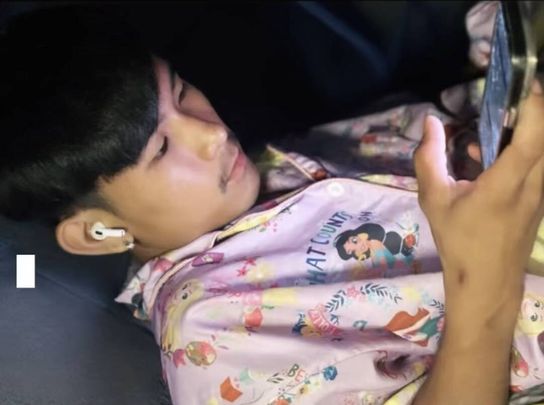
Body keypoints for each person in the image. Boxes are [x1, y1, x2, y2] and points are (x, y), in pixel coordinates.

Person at [2, 3, 544, 405]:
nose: (211, 133)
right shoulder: (212, 338)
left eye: (183, 92)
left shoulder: (277, 156)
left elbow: (450, 116)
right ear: (95, 232)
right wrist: (484, 278)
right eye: (161, 148)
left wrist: (502, 88)